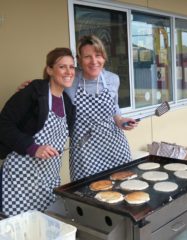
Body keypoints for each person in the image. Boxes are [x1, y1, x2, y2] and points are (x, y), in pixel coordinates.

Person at [0, 48, 76, 216]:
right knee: (19, 230)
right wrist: (33, 148)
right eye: (62, 66)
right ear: (49, 70)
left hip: (48, 180)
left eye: (71, 67)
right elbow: (3, 124)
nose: (68, 71)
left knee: (45, 227)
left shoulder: (67, 103)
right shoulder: (34, 92)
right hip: (20, 179)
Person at [65, 35, 138, 181]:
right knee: (87, 193)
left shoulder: (112, 79)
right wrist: (30, 88)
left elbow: (114, 110)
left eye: (98, 55)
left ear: (104, 57)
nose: (94, 61)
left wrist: (122, 121)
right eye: (87, 57)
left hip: (114, 147)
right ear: (79, 60)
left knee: (122, 188)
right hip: (84, 151)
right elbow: (48, 86)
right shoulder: (70, 80)